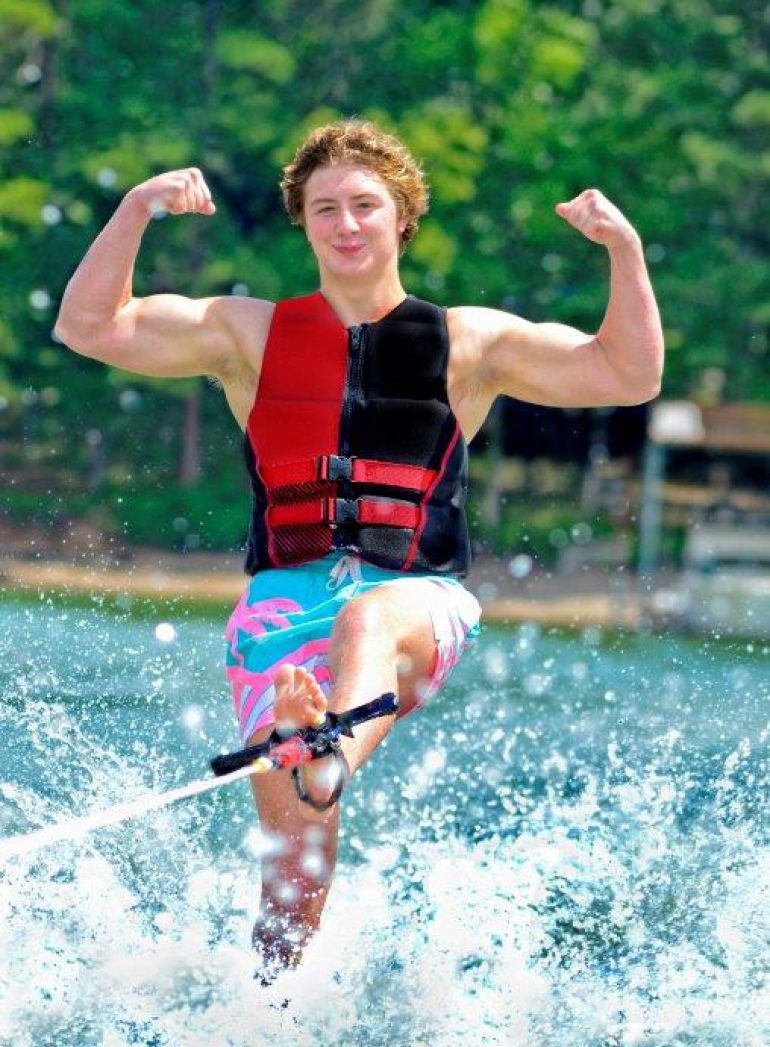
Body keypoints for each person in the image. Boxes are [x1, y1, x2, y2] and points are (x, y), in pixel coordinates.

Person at [55, 120, 663, 980]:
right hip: (280, 613)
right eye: (324, 208)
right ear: (302, 224)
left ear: (402, 217)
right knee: (293, 874)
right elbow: (91, 327)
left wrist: (625, 251)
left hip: (416, 602)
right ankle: (269, 1022)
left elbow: (627, 374)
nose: (346, 224)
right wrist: (135, 209)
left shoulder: (470, 343)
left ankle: (327, 751)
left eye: (365, 206)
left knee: (367, 626)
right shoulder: (247, 335)